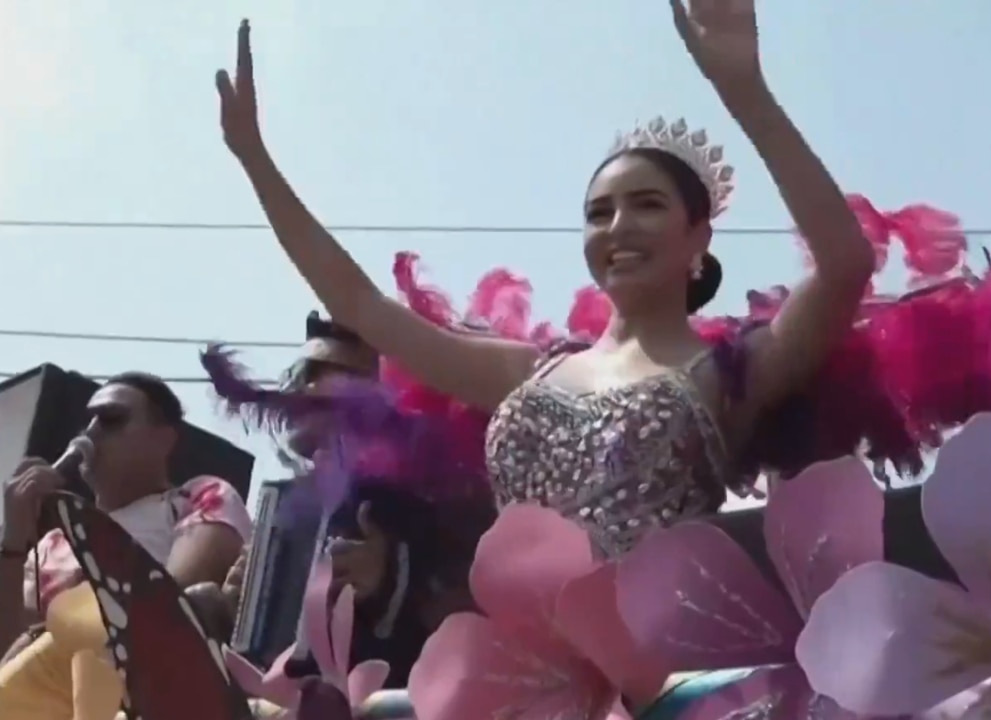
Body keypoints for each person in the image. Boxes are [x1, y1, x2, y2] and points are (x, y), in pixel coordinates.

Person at [215, 0, 876, 557]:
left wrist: (745, 91)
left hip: (657, 677)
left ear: (698, 236)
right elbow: (358, 304)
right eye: (599, 212)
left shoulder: (731, 371)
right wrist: (255, 162)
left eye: (647, 205)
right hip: (524, 675)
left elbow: (844, 264)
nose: (619, 226)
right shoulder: (527, 372)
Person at [202, 311, 495, 689]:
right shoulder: (282, 504)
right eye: (298, 374)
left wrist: (393, 578)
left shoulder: (440, 496)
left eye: (321, 372)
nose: (302, 389)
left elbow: (477, 614)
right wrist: (234, 609)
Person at [0, 372, 252, 720]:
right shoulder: (53, 545)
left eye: (111, 419)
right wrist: (13, 539)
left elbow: (167, 602)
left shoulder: (198, 496)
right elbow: (9, 655)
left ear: (163, 439)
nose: (89, 433)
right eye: (87, 421)